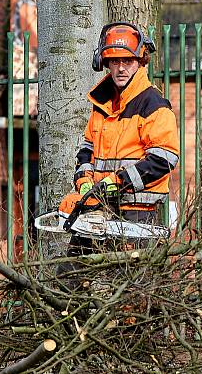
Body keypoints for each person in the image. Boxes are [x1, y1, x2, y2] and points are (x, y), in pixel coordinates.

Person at [58, 21, 180, 254]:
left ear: (140, 61)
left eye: (127, 61)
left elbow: (164, 159)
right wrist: (84, 180)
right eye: (115, 62)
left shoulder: (152, 104)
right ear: (105, 64)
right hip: (97, 208)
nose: (121, 68)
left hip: (137, 213)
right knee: (71, 274)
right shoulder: (102, 104)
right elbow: (87, 149)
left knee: (132, 284)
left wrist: (118, 182)